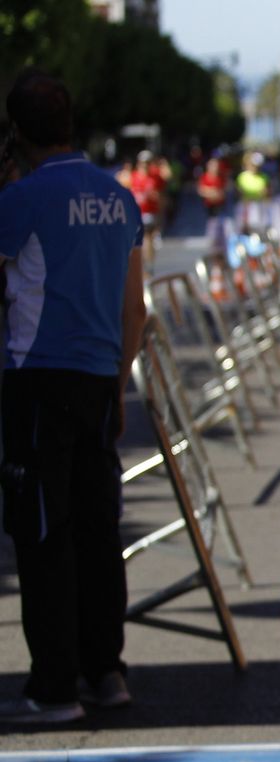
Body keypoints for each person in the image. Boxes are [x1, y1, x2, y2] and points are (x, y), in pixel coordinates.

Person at [0, 69, 146, 725]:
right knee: (95, 528)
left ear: (18, 132)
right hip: (96, 380)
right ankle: (105, 670)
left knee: (42, 533)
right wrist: (117, 389)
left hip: (36, 381)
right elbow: (134, 309)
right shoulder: (120, 198)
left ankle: (54, 686)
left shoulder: (21, 200)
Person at [236, 151, 271, 236]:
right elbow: (239, 192)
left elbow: (267, 192)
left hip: (259, 205)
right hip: (246, 206)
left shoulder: (264, 177)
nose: (254, 167)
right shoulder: (242, 177)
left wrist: (264, 193)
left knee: (259, 228)